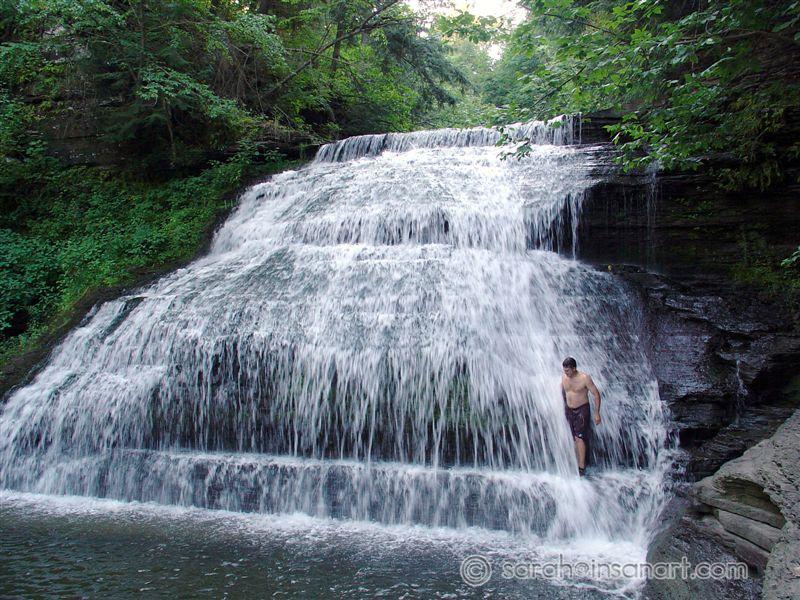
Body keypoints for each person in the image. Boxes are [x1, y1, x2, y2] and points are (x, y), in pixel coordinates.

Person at [560, 357, 601, 476]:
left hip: (582, 410)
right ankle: (576, 463)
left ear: (574, 368)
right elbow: (563, 390)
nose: (566, 373)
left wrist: (597, 413)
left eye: (568, 371)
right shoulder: (564, 377)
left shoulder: (585, 378)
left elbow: (596, 394)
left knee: (579, 438)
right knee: (574, 438)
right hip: (569, 410)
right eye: (564, 370)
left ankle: (581, 467)